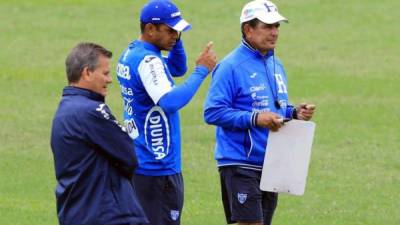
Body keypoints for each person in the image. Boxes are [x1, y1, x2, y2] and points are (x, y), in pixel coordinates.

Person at [203, 1, 316, 225]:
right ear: (248, 29)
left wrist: (294, 113)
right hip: (239, 163)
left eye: (277, 26)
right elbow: (213, 112)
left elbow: (274, 107)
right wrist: (255, 118)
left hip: (271, 164)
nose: (275, 32)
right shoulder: (230, 66)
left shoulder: (276, 65)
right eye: (268, 26)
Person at [116, 1, 217, 224]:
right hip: (157, 166)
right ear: (151, 29)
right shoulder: (148, 61)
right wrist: (202, 70)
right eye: (170, 30)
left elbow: (177, 68)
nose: (175, 35)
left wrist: (174, 40)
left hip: (140, 159)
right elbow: (170, 102)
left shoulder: (132, 53)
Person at [50, 42, 148, 225]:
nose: (109, 80)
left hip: (77, 212)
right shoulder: (91, 111)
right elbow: (129, 156)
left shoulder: (65, 110)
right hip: (107, 215)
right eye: (105, 73)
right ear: (87, 73)